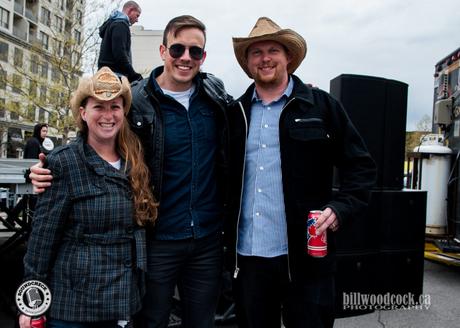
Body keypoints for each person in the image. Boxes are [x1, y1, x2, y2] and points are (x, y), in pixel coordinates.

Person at [29, 15, 231, 328]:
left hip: (206, 241)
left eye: (195, 52)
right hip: (158, 239)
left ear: (203, 57)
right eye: (178, 49)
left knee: (202, 322)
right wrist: (49, 166)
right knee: (150, 322)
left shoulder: (215, 97)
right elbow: (98, 126)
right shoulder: (136, 100)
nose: (186, 58)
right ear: (163, 51)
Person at [225, 17, 377, 328]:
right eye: (256, 52)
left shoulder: (320, 107)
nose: (265, 58)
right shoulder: (234, 114)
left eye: (273, 50)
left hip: (308, 260)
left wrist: (339, 209)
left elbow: (361, 167)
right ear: (248, 62)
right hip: (249, 261)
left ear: (288, 57)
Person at [19, 67, 158, 328]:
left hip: (123, 301)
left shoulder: (136, 161)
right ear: (83, 113)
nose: (108, 115)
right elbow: (42, 238)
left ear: (124, 112)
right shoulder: (65, 162)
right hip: (74, 307)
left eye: (115, 107)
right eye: (99, 107)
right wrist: (31, 302)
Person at [98, 1, 143, 82]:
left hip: (104, 75)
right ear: (130, 10)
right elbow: (119, 53)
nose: (137, 20)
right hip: (115, 76)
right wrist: (133, 75)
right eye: (137, 15)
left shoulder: (112, 24)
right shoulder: (120, 25)